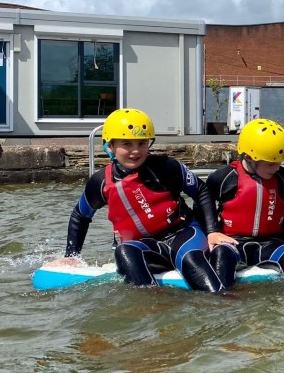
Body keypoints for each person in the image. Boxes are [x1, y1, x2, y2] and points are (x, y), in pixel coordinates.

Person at [54, 108, 235, 293]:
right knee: (123, 251)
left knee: (192, 262)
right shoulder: (100, 183)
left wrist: (212, 231)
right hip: (146, 247)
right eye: (127, 144)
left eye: (142, 143)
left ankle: (222, 301)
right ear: (110, 146)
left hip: (183, 235)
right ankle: (154, 304)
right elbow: (80, 216)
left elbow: (201, 191)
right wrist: (72, 256)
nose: (135, 151)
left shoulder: (167, 167)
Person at [205, 119, 284, 285]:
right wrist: (211, 231)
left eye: (279, 162)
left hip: (270, 243)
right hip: (233, 243)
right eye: (271, 163)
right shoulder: (223, 178)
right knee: (221, 257)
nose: (277, 167)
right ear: (249, 157)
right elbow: (203, 205)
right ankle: (225, 305)